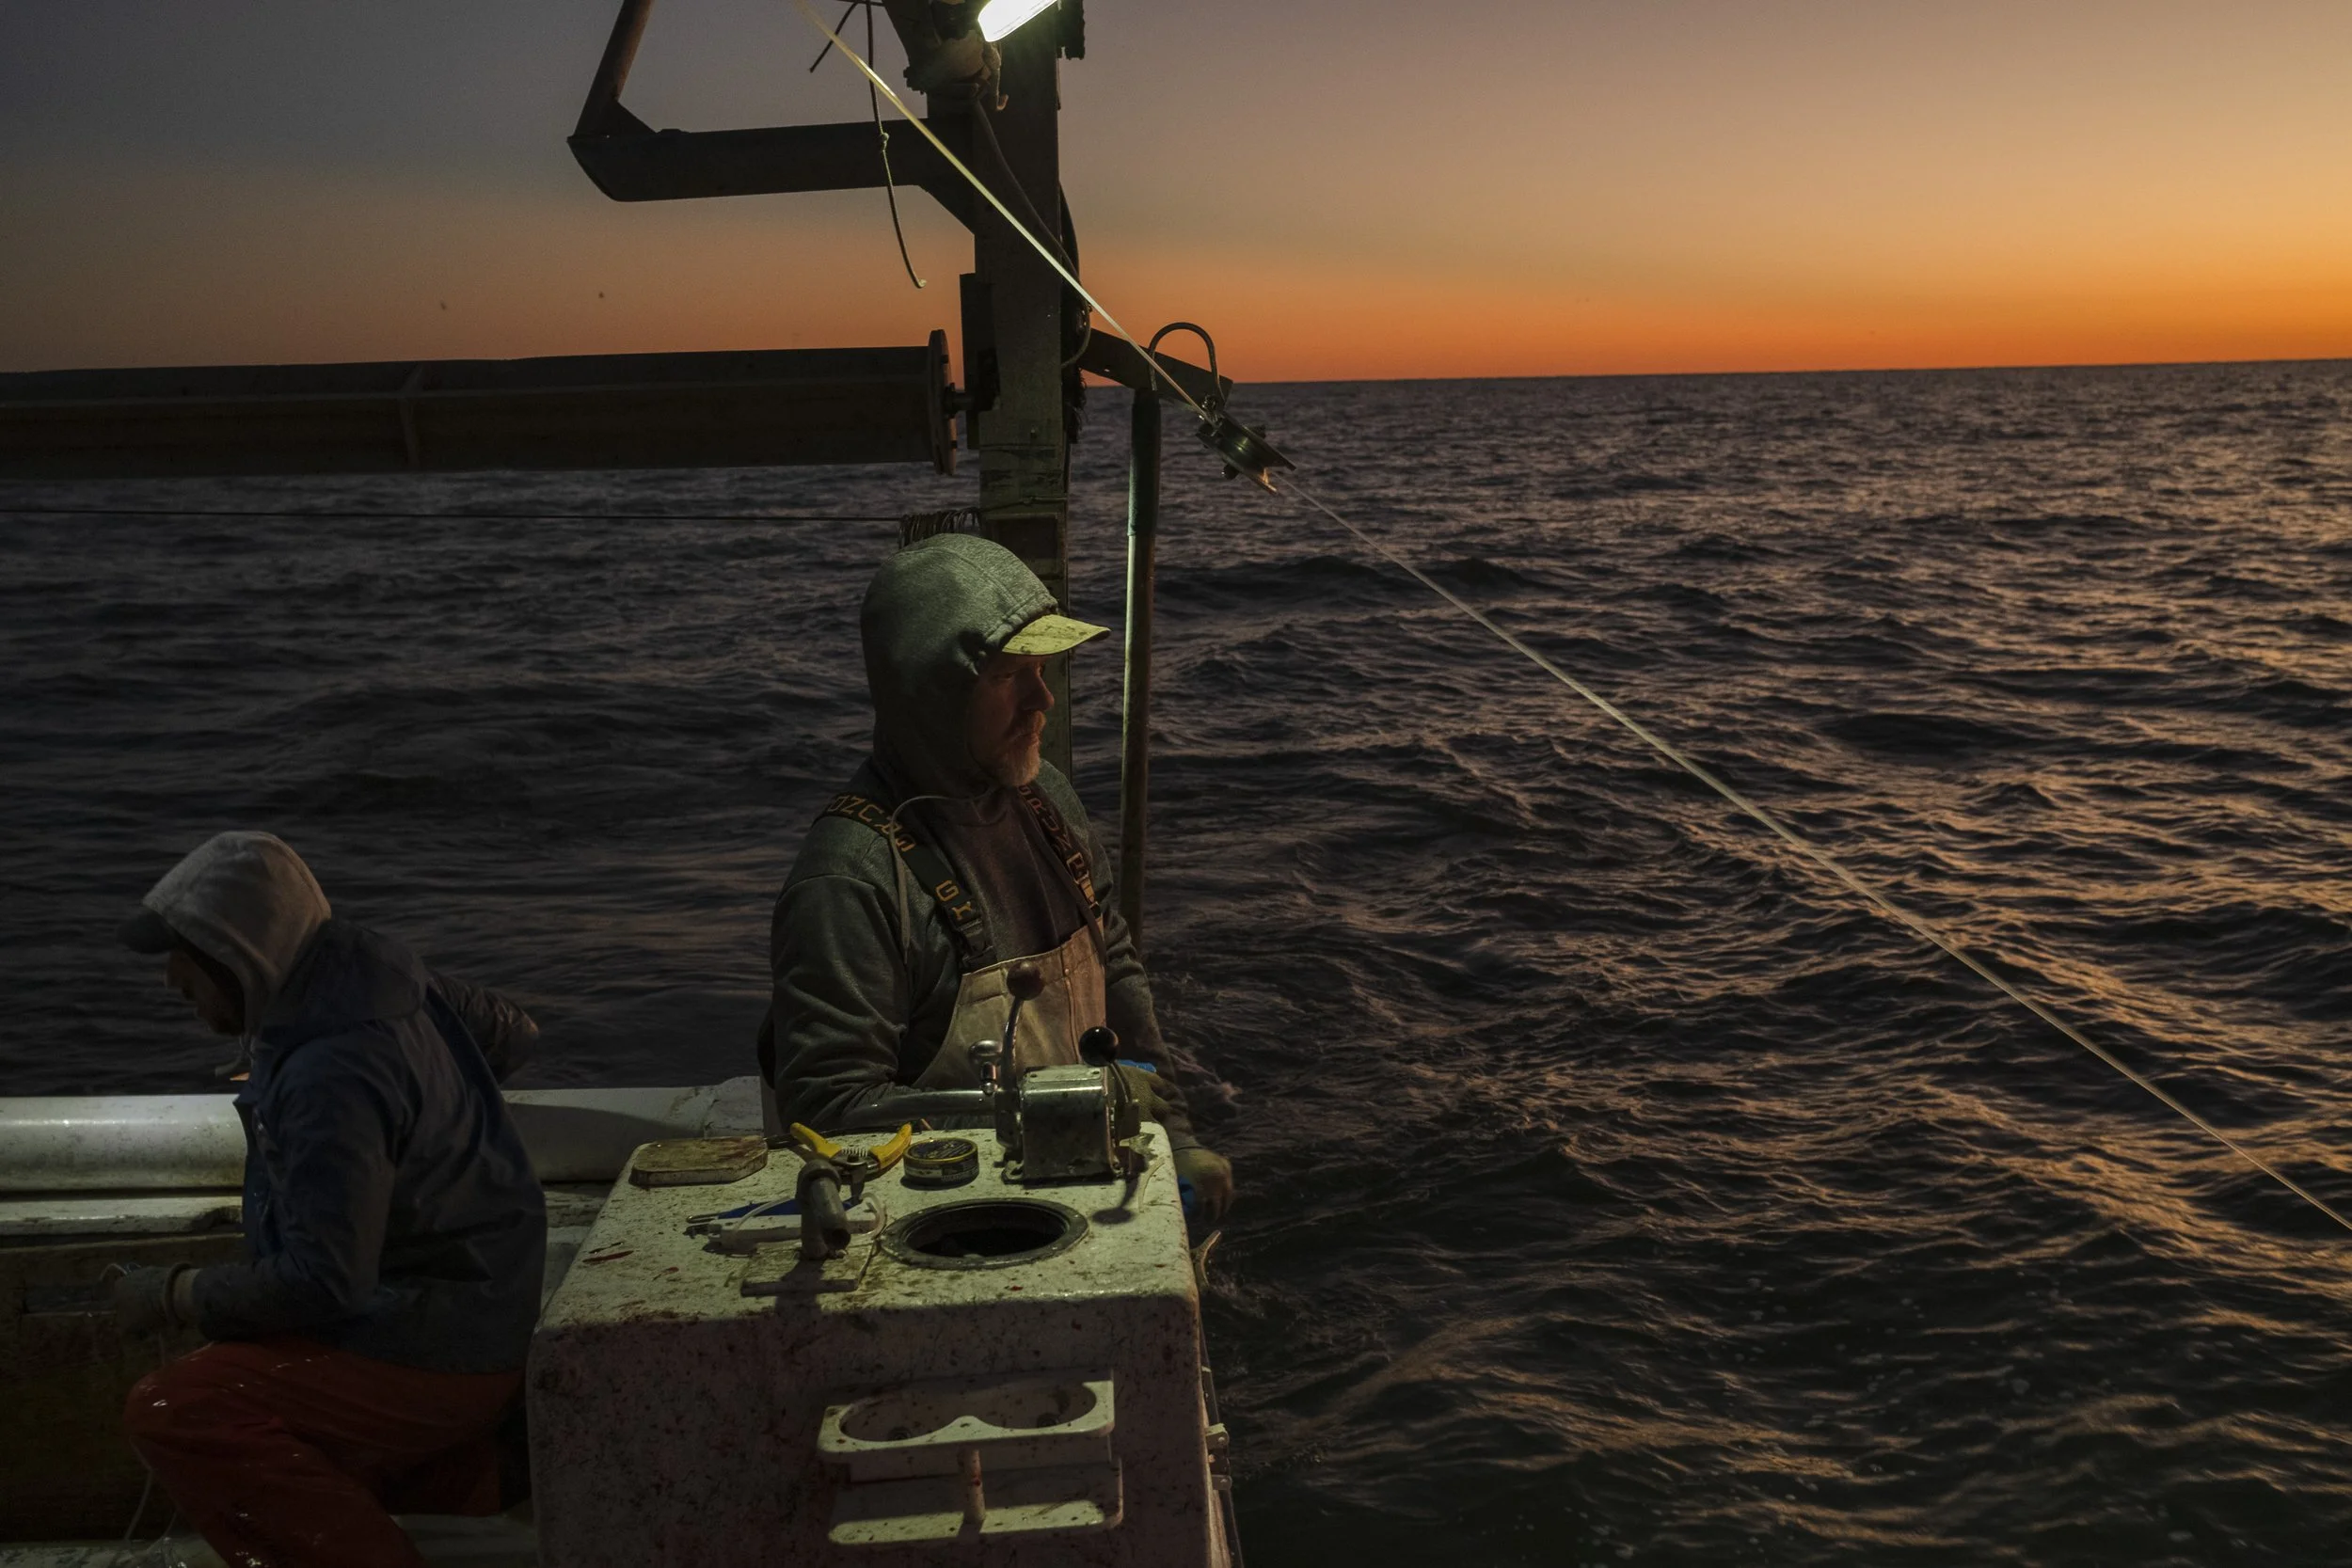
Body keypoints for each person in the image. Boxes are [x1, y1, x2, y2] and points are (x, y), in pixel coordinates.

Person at [761, 532, 1235, 1217]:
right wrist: (1074, 1102)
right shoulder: (850, 882)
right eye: (1011, 677)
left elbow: (1118, 969)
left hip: (1082, 1193)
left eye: (1045, 670)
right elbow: (828, 1118)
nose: (1042, 699)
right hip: (943, 1232)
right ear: (931, 693)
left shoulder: (1049, 801)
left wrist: (1176, 1135)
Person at [108, 831, 547, 1568]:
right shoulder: (384, 974)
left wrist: (178, 1294)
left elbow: (327, 1279)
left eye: (187, 953)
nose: (171, 978)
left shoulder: (328, 1072)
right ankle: (465, 1486)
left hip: (436, 1343)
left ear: (240, 952)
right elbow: (515, 1036)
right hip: (493, 1307)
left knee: (180, 1408)